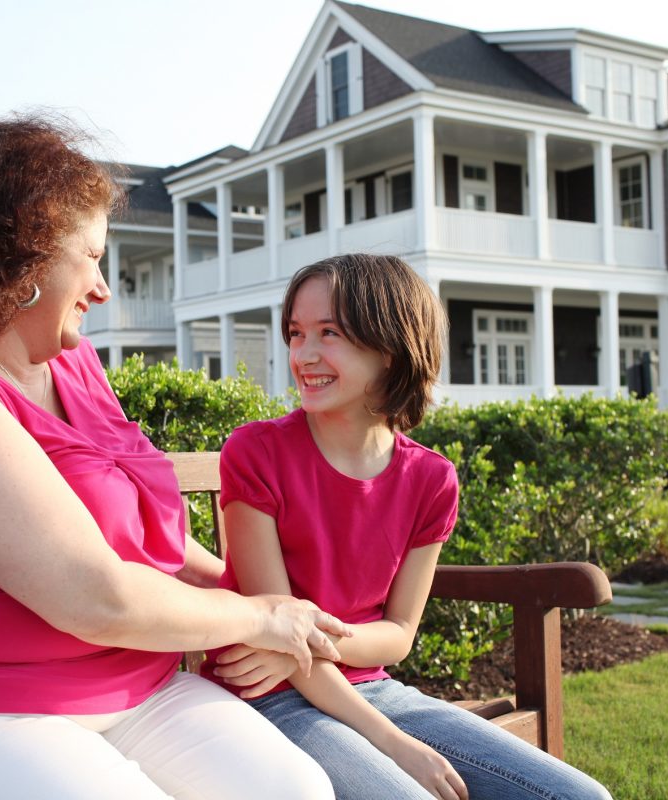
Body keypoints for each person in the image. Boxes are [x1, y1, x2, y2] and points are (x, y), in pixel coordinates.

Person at [0, 115, 349, 800]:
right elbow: (96, 596)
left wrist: (264, 611)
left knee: (295, 790)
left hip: (125, 694)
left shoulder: (74, 365)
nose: (103, 287)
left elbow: (154, 547)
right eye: (90, 256)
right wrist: (263, 618)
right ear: (19, 257)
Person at [202, 254, 612, 800]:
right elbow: (277, 629)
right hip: (267, 693)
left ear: (391, 348)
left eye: (329, 333)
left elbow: (396, 635)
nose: (305, 355)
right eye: (297, 334)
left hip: (369, 688)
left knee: (583, 797)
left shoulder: (431, 479)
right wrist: (395, 744)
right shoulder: (257, 453)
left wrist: (304, 643)